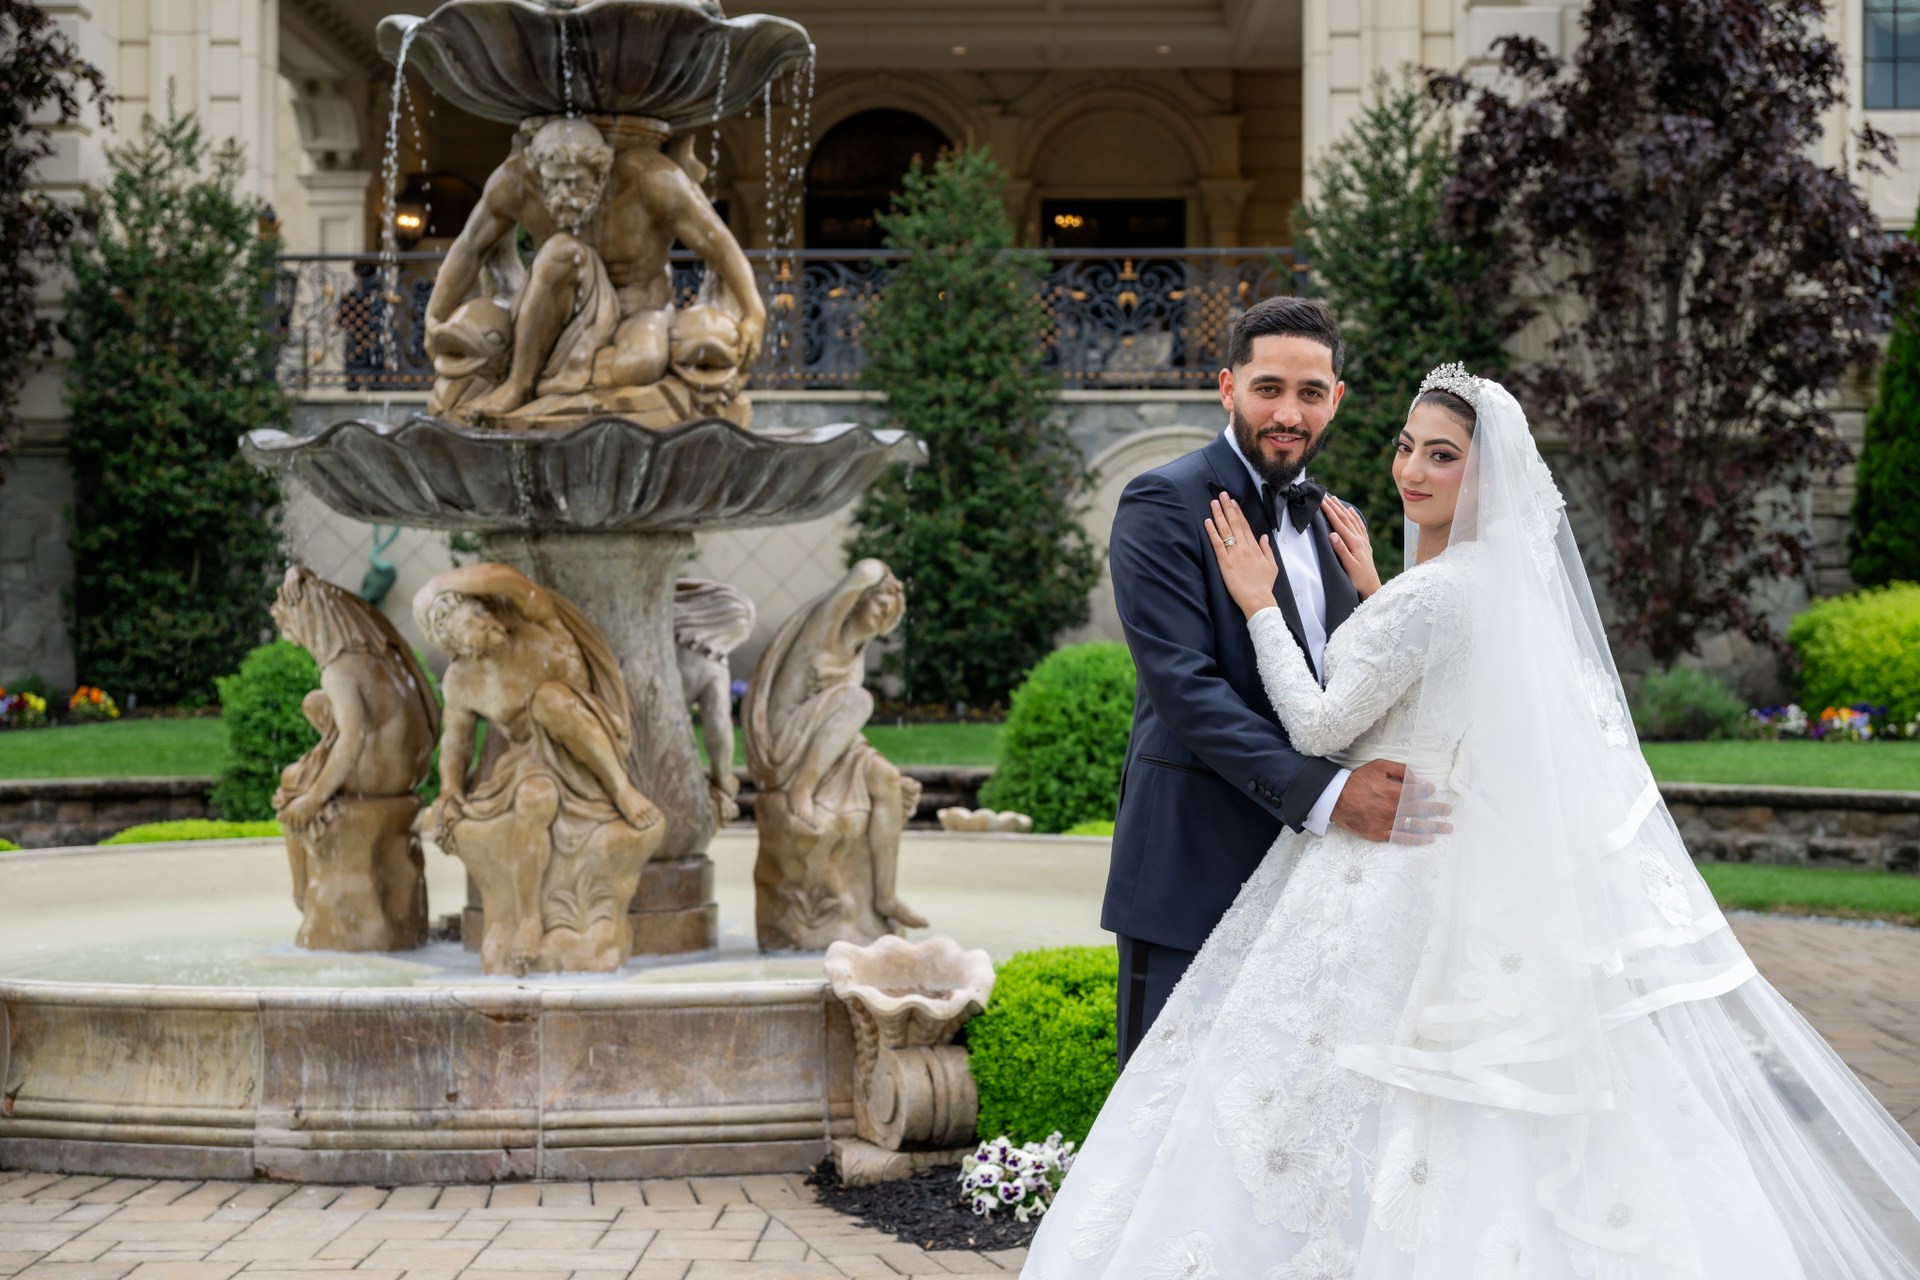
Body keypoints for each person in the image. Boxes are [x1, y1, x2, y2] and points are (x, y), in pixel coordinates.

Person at [1022, 365, 1920, 1278]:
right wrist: (1379, 592)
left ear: (1490, 474)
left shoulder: (1439, 590)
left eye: (1443, 456)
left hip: (1383, 872)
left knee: (1311, 1100)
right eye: (1407, 446)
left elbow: (1322, 726)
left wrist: (1259, 603)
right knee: (1449, 1110)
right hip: (1456, 871)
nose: (1413, 470)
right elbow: (1438, 687)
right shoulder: (1498, 584)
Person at [1103, 296, 1449, 1067]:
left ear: (1337, 399)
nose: (1289, 413)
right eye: (1268, 388)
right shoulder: (1163, 501)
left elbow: (1354, 682)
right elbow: (1185, 688)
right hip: (1194, 868)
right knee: (1163, 1112)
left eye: (1310, 392)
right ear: (1228, 387)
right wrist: (1331, 796)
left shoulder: (1338, 520)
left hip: (1318, 889)